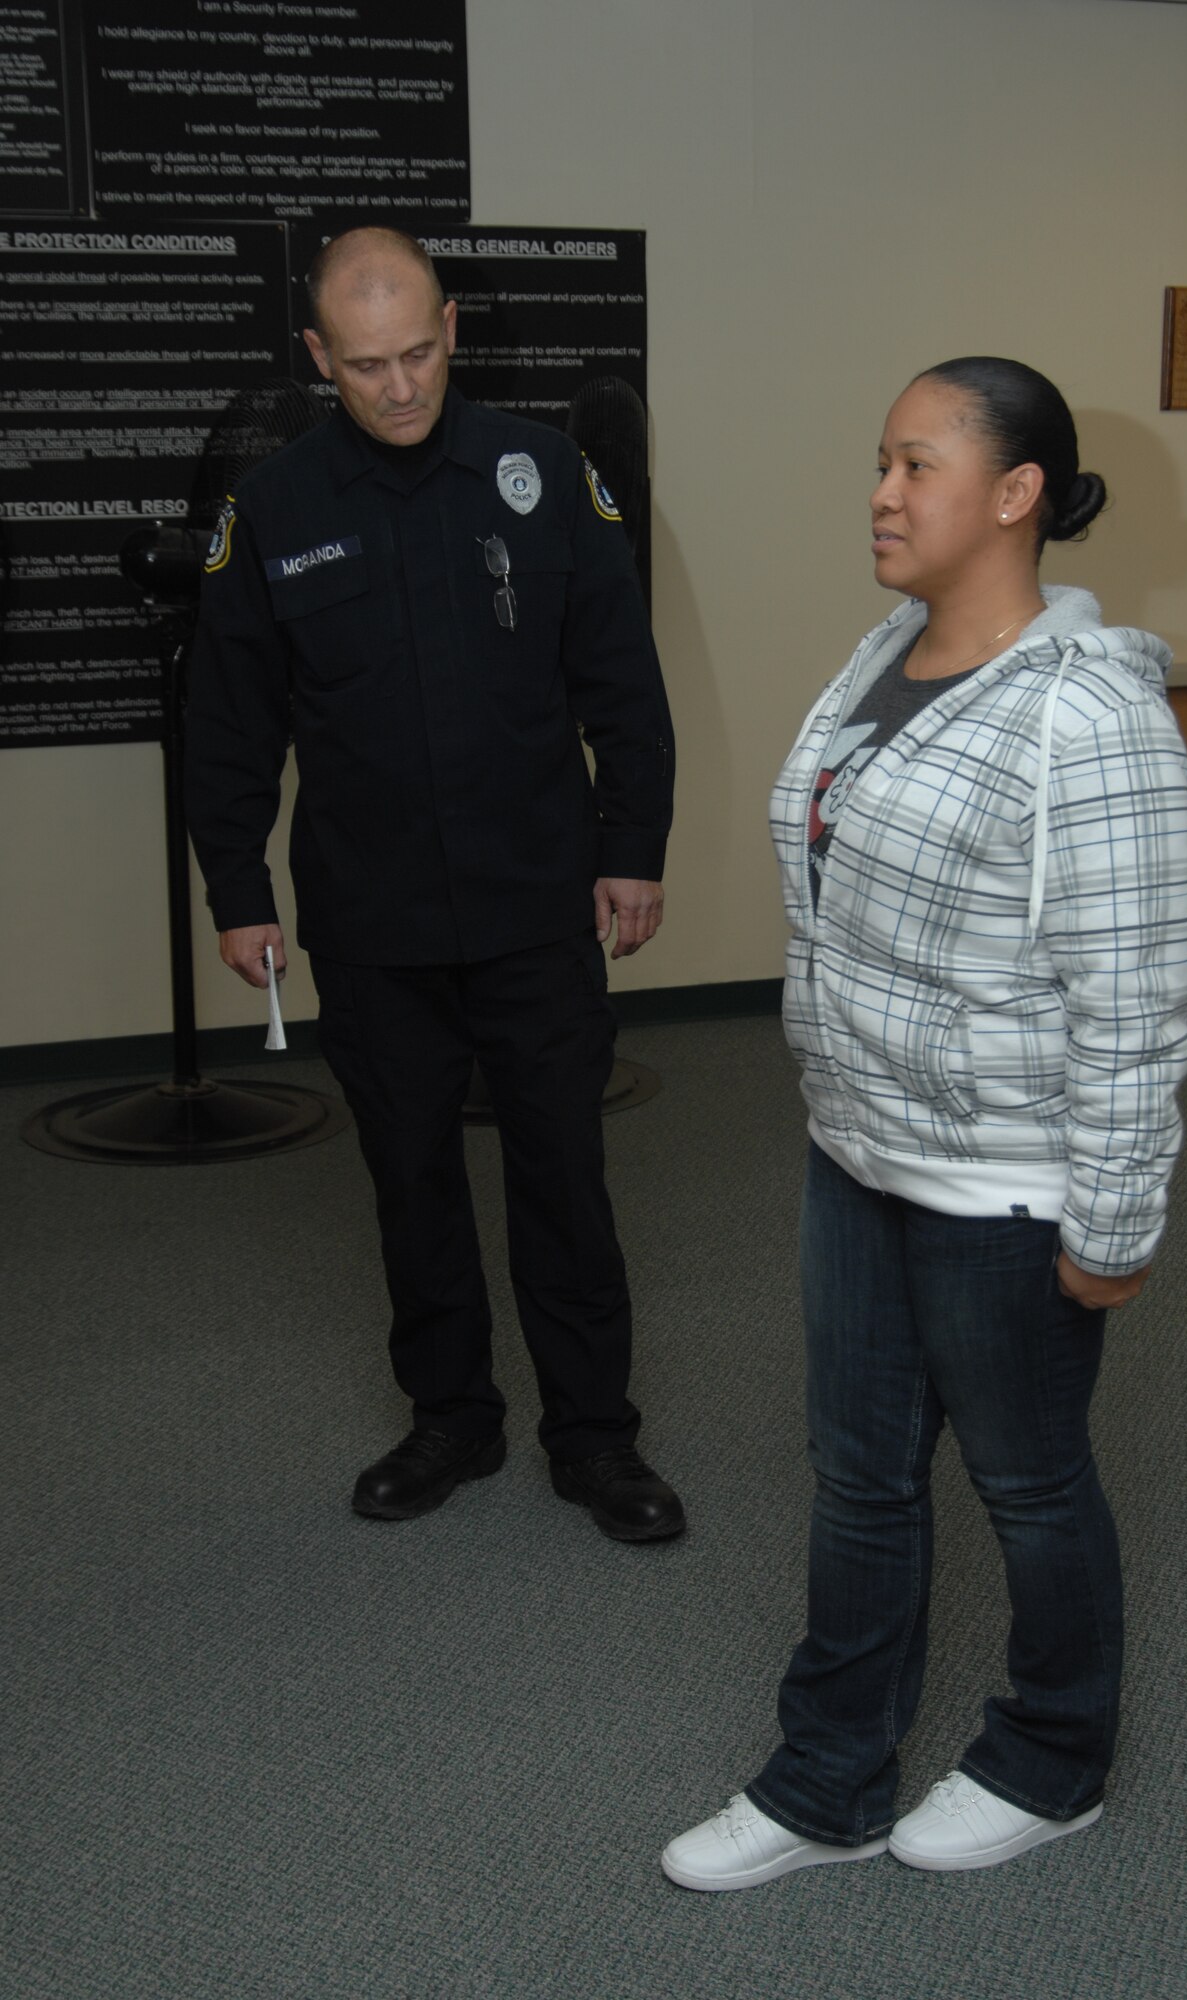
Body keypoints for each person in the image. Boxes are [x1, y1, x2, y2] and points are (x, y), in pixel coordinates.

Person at [663, 356, 1187, 1888]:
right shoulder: (887, 651)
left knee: (1028, 1484)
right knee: (859, 1477)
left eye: (916, 465)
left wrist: (1111, 1219)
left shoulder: (1092, 718)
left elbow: (1136, 994)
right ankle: (826, 1782)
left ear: (1018, 495)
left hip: (1008, 1185)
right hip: (861, 1149)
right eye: (879, 465)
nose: (883, 494)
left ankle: (1051, 1758)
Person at [184, 226, 684, 1543]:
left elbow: (622, 683)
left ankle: (594, 1437)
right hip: (371, 912)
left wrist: (634, 846)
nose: (399, 387)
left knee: (562, 1176)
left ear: (451, 330)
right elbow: (230, 721)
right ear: (316, 359)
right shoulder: (277, 508)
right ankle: (451, 1417)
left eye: (416, 353)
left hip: (535, 895)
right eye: (364, 365)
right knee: (410, 1176)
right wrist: (238, 887)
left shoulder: (546, 473)